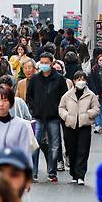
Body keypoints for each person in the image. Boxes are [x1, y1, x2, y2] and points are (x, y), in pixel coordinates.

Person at [27, 52, 68, 182]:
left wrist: (59, 110)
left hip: (53, 117)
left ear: (52, 63)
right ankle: (33, 172)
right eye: (42, 62)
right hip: (38, 116)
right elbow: (30, 95)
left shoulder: (59, 79)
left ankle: (52, 171)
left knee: (54, 145)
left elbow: (65, 97)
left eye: (46, 63)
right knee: (35, 145)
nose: (44, 65)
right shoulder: (35, 79)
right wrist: (34, 107)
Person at [58, 71, 100, 185]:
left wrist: (87, 115)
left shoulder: (90, 95)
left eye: (83, 79)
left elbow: (96, 109)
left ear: (86, 81)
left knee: (83, 150)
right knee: (71, 150)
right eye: (78, 79)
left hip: (84, 126)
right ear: (74, 81)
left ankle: (81, 175)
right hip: (70, 126)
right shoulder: (67, 95)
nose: (80, 81)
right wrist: (66, 116)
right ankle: (73, 174)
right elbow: (61, 108)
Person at [88, 54, 102, 134]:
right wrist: (95, 92)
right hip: (96, 92)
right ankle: (97, 125)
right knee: (97, 109)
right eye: (100, 60)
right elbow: (91, 81)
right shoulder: (94, 70)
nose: (101, 62)